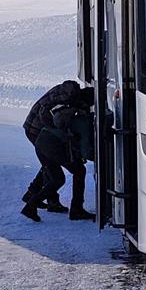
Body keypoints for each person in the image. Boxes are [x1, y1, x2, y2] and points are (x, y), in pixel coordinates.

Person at [21, 80, 95, 222]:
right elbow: (85, 150)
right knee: (75, 171)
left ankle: (33, 200)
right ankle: (75, 209)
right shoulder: (77, 113)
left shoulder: (66, 97)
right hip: (37, 131)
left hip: (42, 137)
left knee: (55, 175)